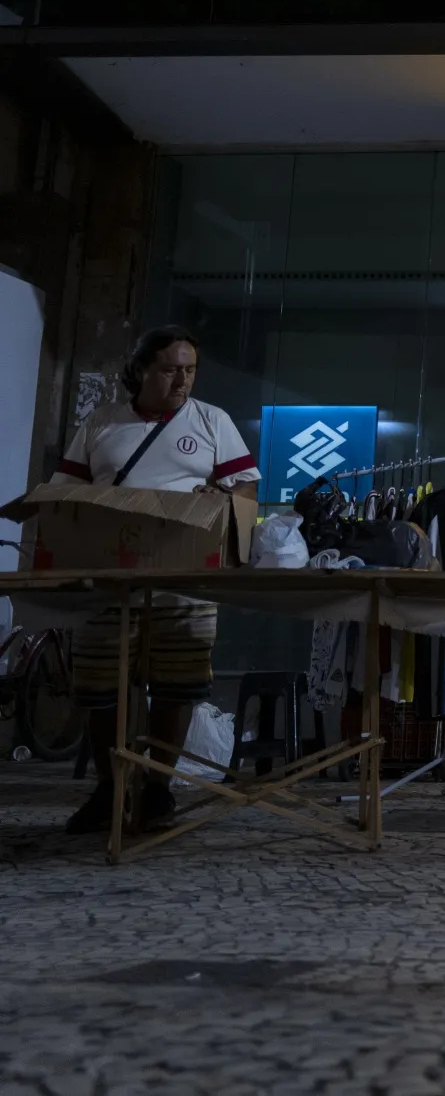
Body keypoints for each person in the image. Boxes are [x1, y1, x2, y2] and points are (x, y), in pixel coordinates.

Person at [54, 325, 261, 835]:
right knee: (101, 685)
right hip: (109, 578)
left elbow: (247, 489)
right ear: (142, 370)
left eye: (189, 370)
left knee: (179, 683)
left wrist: (225, 513)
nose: (181, 381)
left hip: (183, 576)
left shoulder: (212, 421)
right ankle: (109, 789)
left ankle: (157, 791)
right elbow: (65, 493)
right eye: (170, 369)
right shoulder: (101, 422)